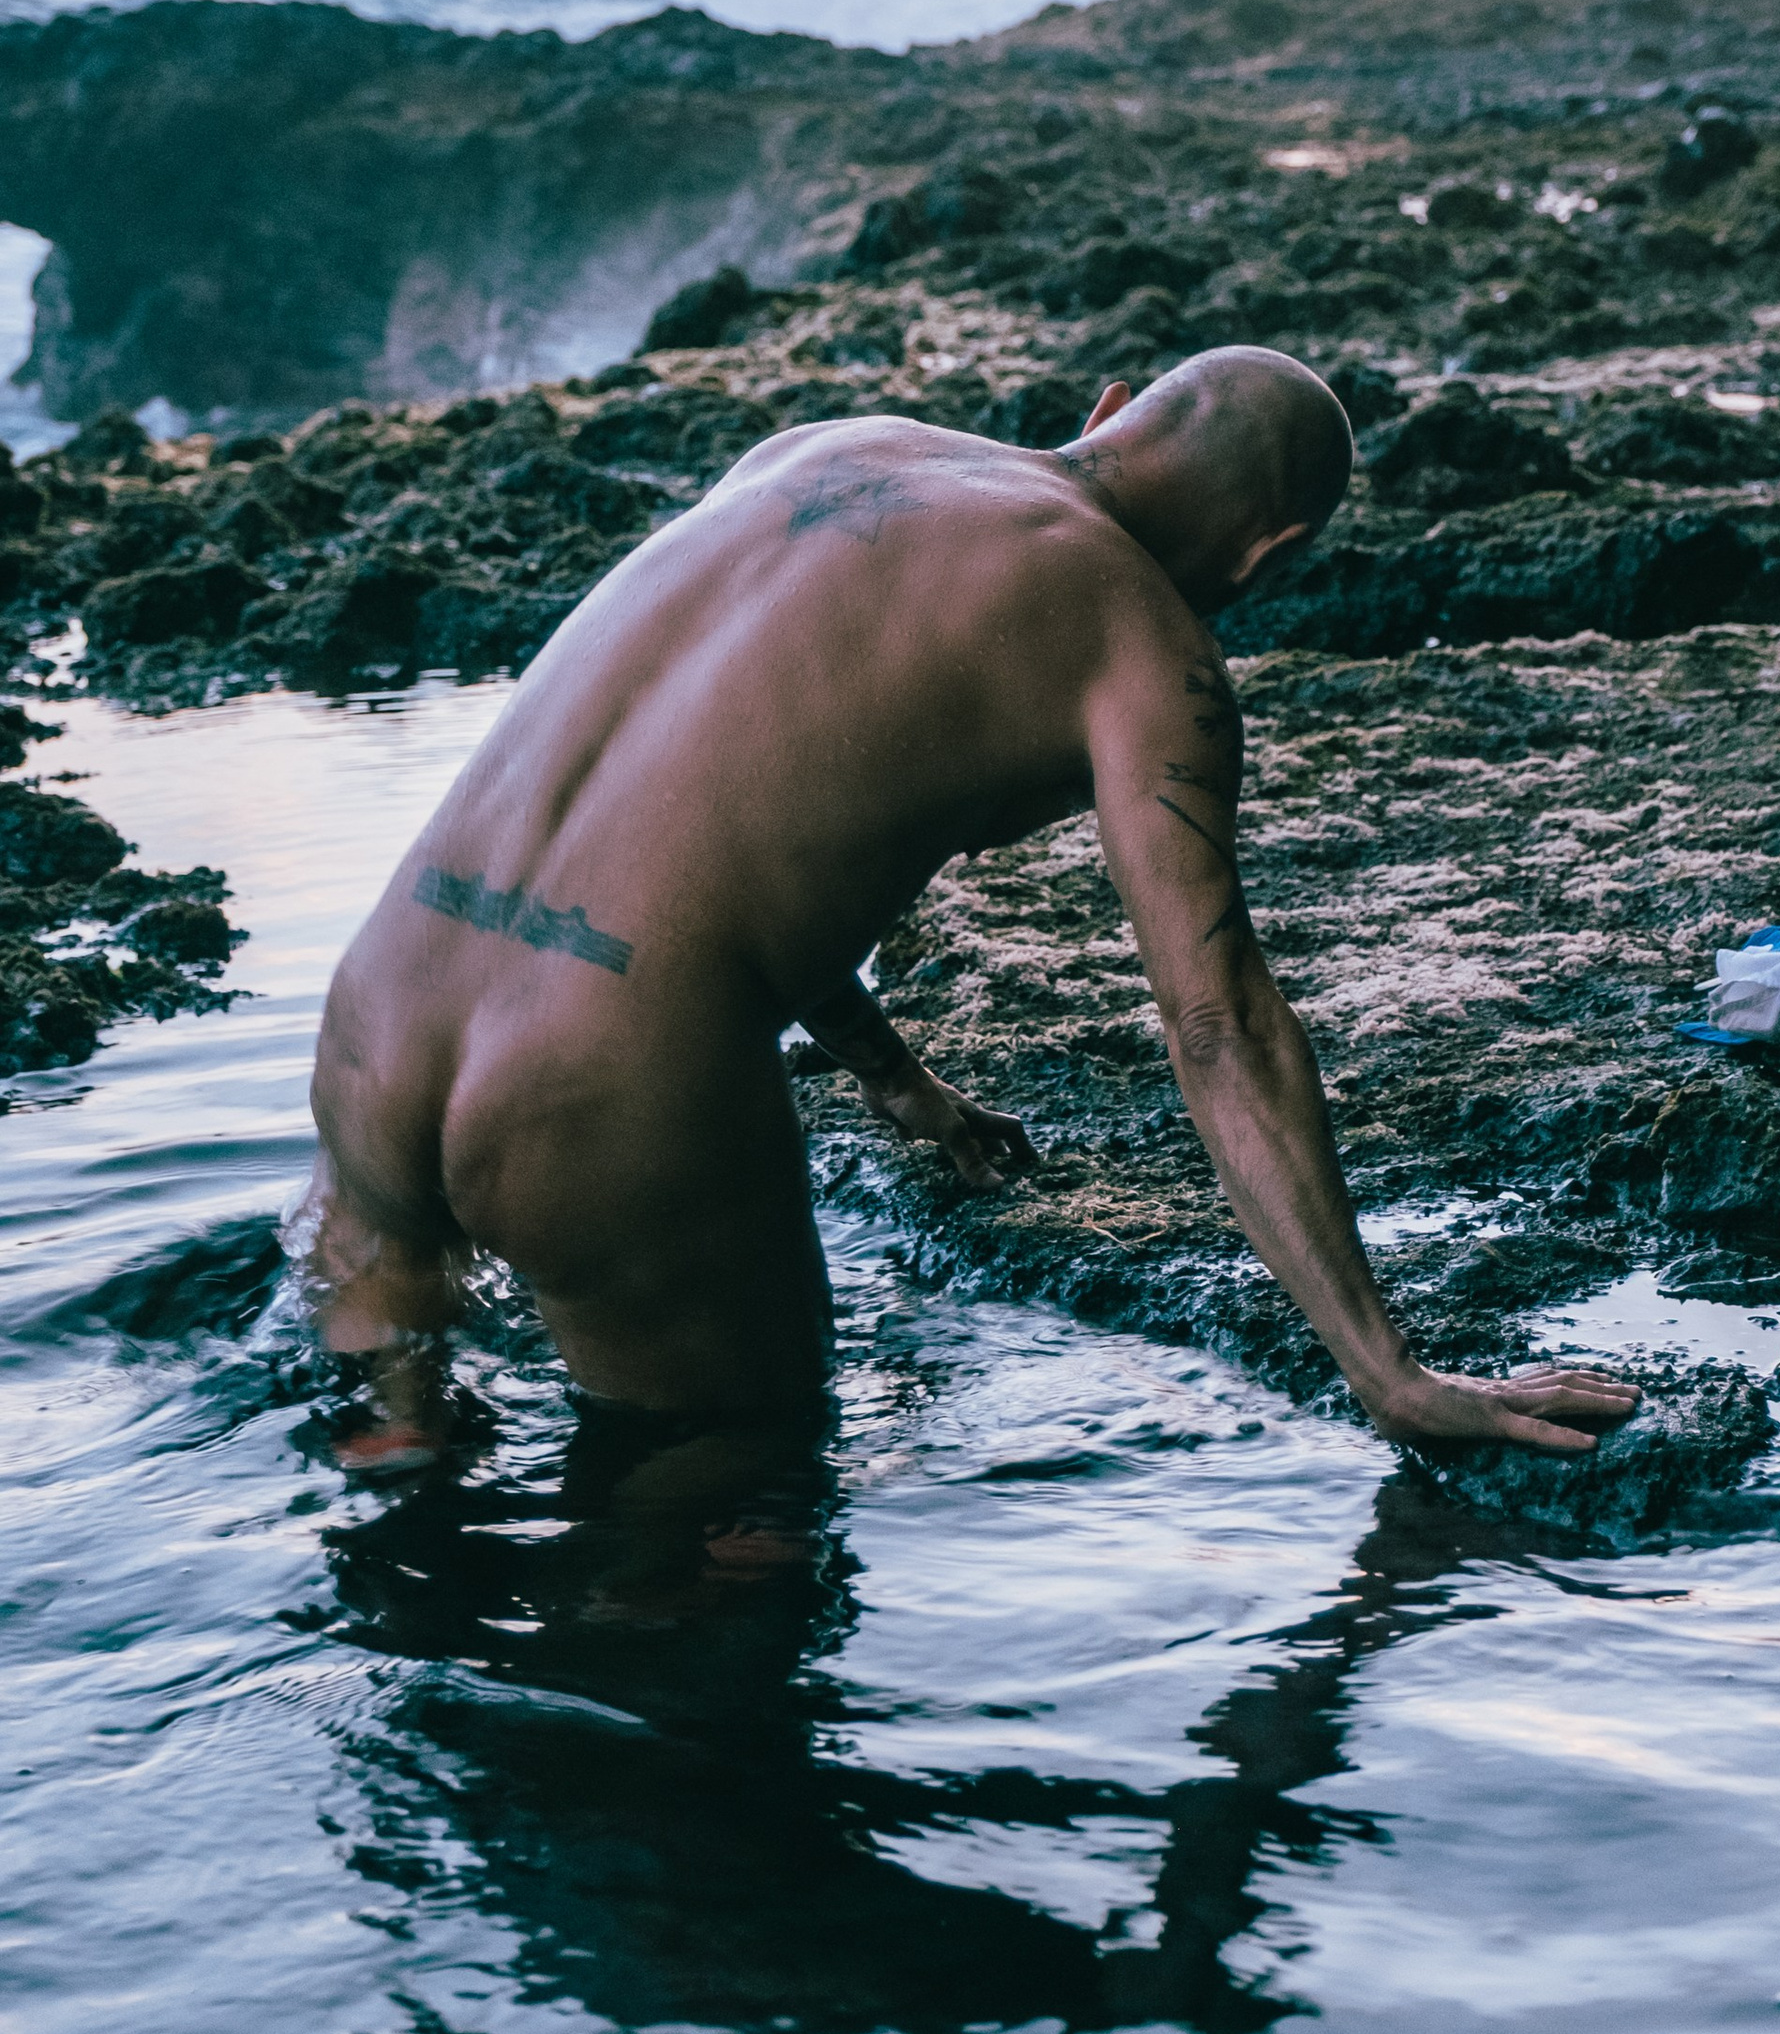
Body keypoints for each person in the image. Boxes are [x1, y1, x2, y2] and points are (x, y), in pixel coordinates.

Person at [296, 347, 1634, 1541]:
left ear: (1112, 407)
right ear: (1266, 555)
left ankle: (398, 1535)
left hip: (383, 1004)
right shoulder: (1136, 637)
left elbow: (711, 823)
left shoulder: (825, 447)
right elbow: (1219, 1023)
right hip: (600, 1088)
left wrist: (894, 1079)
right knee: (727, 1528)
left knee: (402, 1502)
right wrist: (1389, 1369)